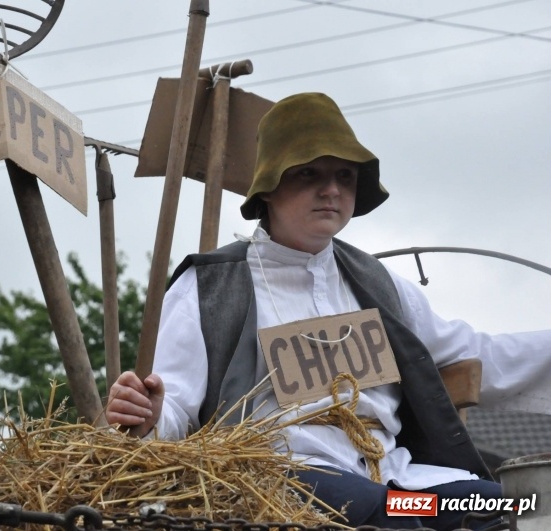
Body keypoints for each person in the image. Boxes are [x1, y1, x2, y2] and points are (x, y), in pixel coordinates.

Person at [105, 92, 551, 530]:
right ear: (270, 185)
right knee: (388, 514)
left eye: (344, 175)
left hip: (396, 476)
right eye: (308, 173)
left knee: (506, 503)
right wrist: (149, 416)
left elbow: (474, 353)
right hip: (283, 477)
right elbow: (175, 407)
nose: (331, 190)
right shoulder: (209, 287)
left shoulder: (379, 284)